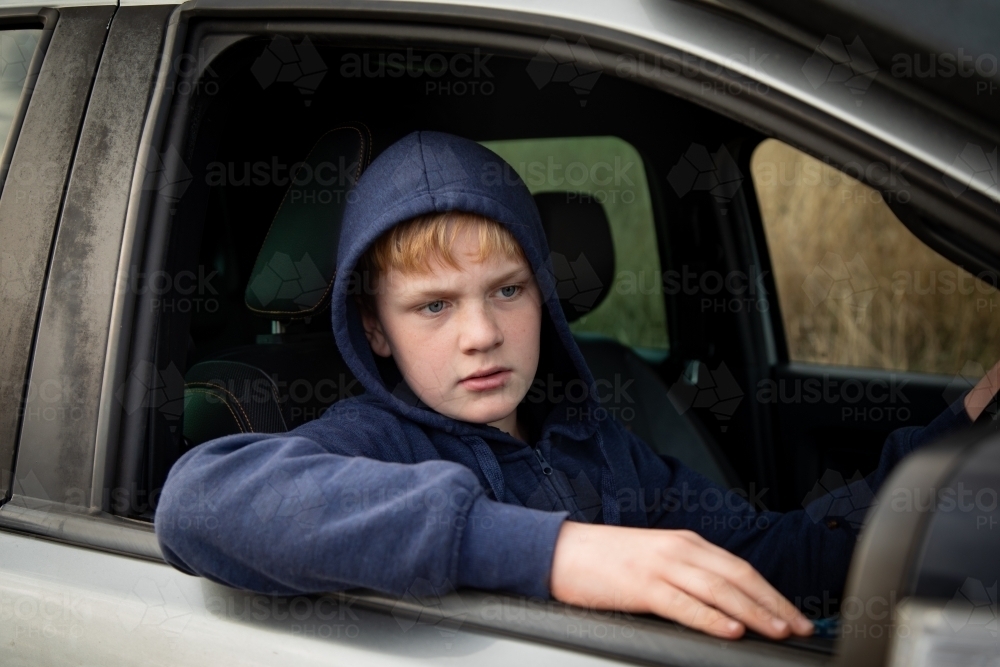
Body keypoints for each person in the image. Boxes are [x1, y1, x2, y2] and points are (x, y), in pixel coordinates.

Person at [155, 131, 989, 640]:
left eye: (508, 290)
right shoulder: (376, 440)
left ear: (543, 296)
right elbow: (200, 498)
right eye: (433, 305)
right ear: (374, 327)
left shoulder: (595, 440)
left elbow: (777, 558)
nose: (480, 333)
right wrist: (556, 551)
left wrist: (962, 432)